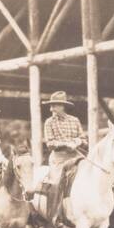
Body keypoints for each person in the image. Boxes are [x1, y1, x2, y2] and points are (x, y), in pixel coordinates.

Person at [40, 91, 86, 219]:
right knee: (55, 183)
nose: (51, 109)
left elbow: (83, 139)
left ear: (62, 106)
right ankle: (54, 215)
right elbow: (50, 143)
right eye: (51, 106)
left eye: (54, 105)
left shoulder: (74, 120)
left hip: (76, 155)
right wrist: (66, 144)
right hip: (58, 158)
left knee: (91, 173)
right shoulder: (49, 122)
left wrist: (77, 142)